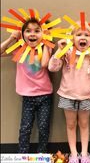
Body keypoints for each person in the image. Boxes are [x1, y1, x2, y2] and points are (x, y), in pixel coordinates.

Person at [48, 25, 90, 163]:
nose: (83, 37)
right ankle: (74, 154)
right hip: (67, 95)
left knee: (84, 125)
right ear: (71, 38)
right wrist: (59, 51)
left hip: (86, 97)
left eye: (87, 35)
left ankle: (84, 154)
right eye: (79, 34)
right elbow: (52, 67)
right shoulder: (67, 53)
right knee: (71, 125)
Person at [1, 18, 53, 153]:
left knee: (43, 128)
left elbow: (44, 64)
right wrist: (12, 38)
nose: (32, 34)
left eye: (37, 31)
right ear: (22, 34)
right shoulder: (18, 50)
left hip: (45, 95)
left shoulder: (45, 49)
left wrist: (47, 42)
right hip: (27, 96)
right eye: (28, 31)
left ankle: (42, 153)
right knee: (25, 128)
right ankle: (22, 155)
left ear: (43, 34)